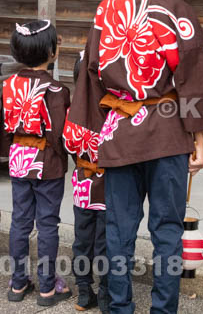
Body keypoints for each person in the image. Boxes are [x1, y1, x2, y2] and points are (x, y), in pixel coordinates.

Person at [66, 0, 203, 314]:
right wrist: (198, 139)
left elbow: (91, 75)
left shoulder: (106, 9)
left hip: (118, 132)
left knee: (118, 229)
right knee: (167, 230)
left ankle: (119, 308)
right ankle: (163, 310)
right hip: (167, 133)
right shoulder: (177, 11)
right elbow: (194, 79)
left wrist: (90, 137)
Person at [0, 19, 72, 307]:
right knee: (47, 224)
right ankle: (48, 288)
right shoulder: (58, 92)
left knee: (20, 222)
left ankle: (18, 283)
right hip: (47, 164)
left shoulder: (10, 84)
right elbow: (62, 135)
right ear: (52, 52)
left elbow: (4, 127)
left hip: (19, 161)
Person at [65, 50, 109, 314]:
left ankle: (84, 293)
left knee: (82, 243)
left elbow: (70, 146)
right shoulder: (111, 114)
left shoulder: (72, 112)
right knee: (106, 244)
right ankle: (105, 296)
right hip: (108, 191)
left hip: (83, 187)